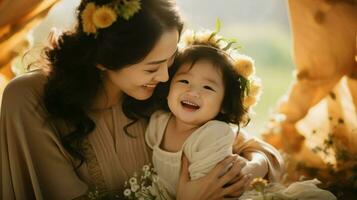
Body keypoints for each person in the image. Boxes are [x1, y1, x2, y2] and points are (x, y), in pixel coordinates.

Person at [0, 0, 283, 199]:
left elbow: (258, 151)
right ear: (103, 60)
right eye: (151, 67)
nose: (164, 76)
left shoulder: (165, 91)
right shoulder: (30, 100)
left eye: (170, 61)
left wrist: (247, 169)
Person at [145, 29, 281, 199]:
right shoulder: (159, 122)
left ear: (224, 104)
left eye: (208, 87)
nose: (193, 92)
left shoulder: (213, 134)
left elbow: (213, 191)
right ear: (168, 87)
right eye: (184, 81)